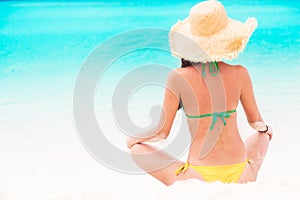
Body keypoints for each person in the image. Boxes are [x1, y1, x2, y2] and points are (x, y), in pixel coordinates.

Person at [126, 0, 273, 186]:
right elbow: (256, 123)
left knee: (137, 150)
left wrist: (134, 140)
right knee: (263, 135)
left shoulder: (178, 77)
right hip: (240, 173)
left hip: (198, 176)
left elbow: (162, 133)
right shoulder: (240, 73)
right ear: (225, 39)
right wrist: (267, 131)